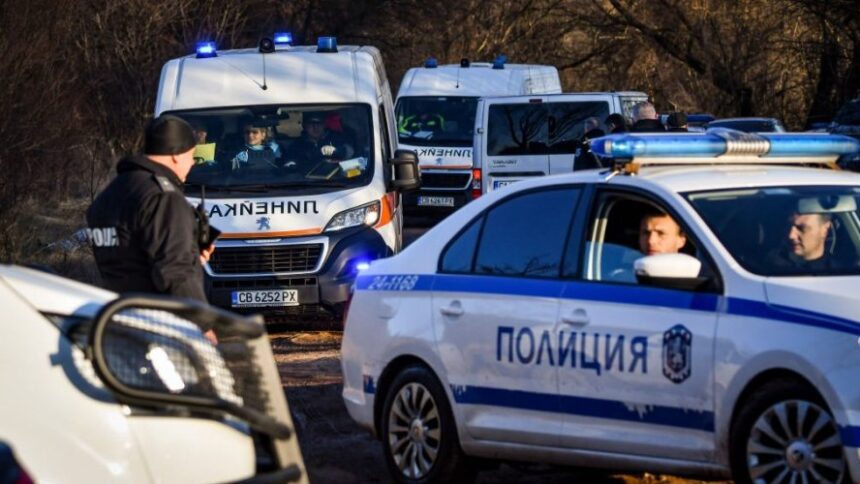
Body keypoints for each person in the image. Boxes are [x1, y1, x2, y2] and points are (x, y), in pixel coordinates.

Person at [86, 115, 218, 342]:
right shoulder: (164, 197)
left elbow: (133, 256)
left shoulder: (109, 195)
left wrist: (192, 256)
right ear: (176, 154)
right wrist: (203, 326)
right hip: (163, 326)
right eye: (191, 156)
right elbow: (175, 271)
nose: (193, 163)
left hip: (119, 320)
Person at [285, 112, 353, 169]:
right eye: (311, 123)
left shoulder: (335, 138)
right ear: (304, 125)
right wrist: (294, 164)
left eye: (319, 123)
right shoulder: (296, 145)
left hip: (335, 178)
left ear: (324, 125)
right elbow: (289, 162)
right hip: (306, 179)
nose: (315, 127)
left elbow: (351, 152)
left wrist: (337, 150)